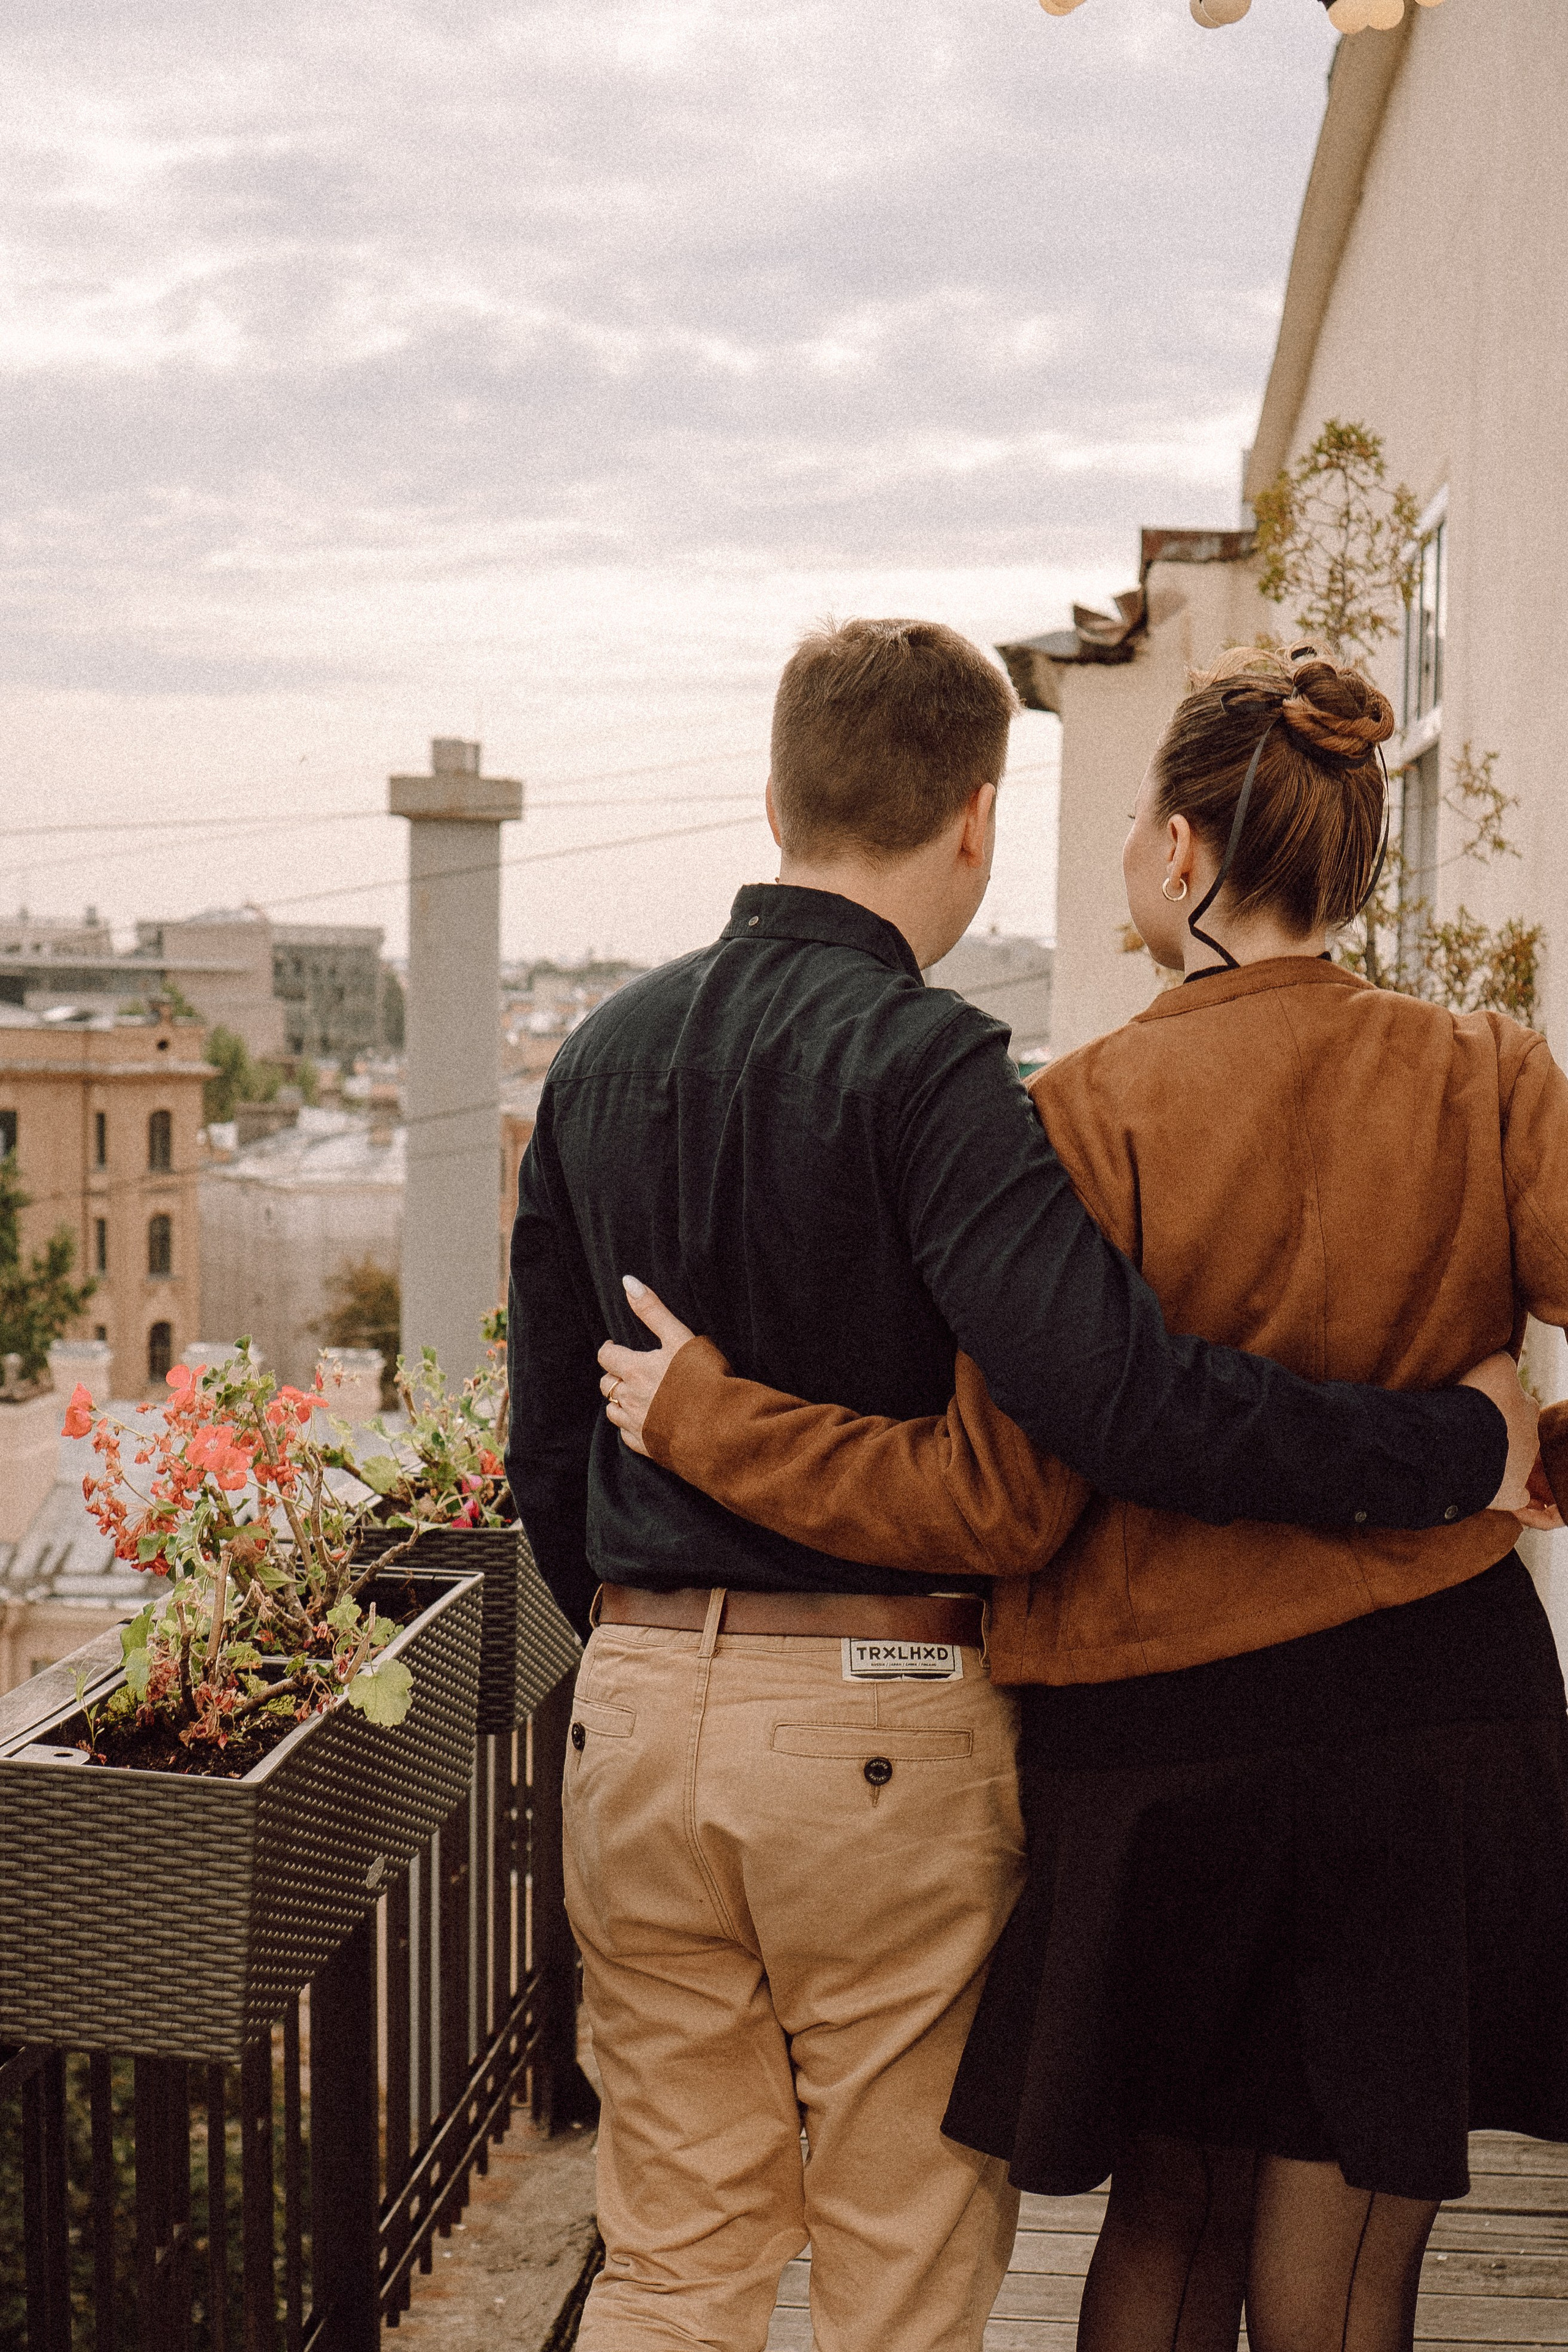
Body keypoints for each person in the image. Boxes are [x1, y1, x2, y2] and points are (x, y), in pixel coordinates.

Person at [507, 620, 1533, 2352]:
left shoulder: (606, 1059)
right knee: (910, 2255)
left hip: (657, 1706)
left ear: (773, 795)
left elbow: (547, 1449)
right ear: (977, 824)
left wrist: (650, 1619)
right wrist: (1485, 1454)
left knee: (679, 2257)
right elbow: (1080, 1438)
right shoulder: (945, 1074)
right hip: (924, 1713)